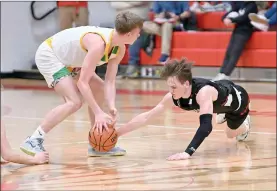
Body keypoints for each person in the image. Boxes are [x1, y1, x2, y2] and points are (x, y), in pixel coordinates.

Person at [19, 12, 144, 158]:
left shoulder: (119, 48)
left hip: (70, 61)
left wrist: (111, 107)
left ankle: (97, 142)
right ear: (129, 34)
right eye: (138, 33)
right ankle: (34, 139)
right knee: (74, 102)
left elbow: (109, 81)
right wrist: (98, 113)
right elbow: (83, 83)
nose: (139, 36)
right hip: (51, 55)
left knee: (99, 88)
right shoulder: (98, 44)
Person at [116, 58, 251, 161]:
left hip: (238, 102)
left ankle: (245, 124)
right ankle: (220, 113)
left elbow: (206, 127)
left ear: (186, 84)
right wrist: (117, 133)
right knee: (213, 112)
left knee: (231, 135)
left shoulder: (203, 93)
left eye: (174, 87)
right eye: (169, 86)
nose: (171, 91)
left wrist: (188, 152)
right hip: (219, 97)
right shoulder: (174, 95)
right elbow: (147, 117)